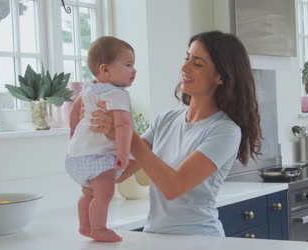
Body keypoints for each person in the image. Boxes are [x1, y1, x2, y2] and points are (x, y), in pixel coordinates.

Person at [90, 31, 262, 237]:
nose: (184, 68)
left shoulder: (225, 131)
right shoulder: (166, 120)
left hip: (200, 243)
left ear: (221, 76)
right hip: (155, 238)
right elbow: (119, 174)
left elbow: (173, 187)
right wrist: (98, 125)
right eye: (187, 59)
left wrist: (126, 131)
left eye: (197, 63)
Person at [65, 36, 137, 242]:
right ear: (105, 70)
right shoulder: (117, 94)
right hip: (99, 157)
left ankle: (85, 226)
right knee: (104, 195)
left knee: (88, 193)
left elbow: (74, 110)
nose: (134, 71)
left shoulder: (90, 88)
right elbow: (123, 126)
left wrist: (72, 131)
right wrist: (123, 153)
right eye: (128, 65)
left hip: (76, 155)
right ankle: (98, 229)